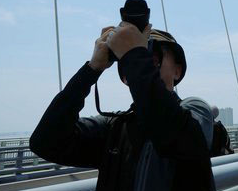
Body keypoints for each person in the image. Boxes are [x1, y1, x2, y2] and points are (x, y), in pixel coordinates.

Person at [30, 23, 216, 190]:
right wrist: (92, 69)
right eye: (136, 61)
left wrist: (133, 56)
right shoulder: (114, 128)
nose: (143, 64)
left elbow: (180, 137)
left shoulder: (195, 110)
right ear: (126, 77)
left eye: (153, 59)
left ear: (177, 70)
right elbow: (45, 142)